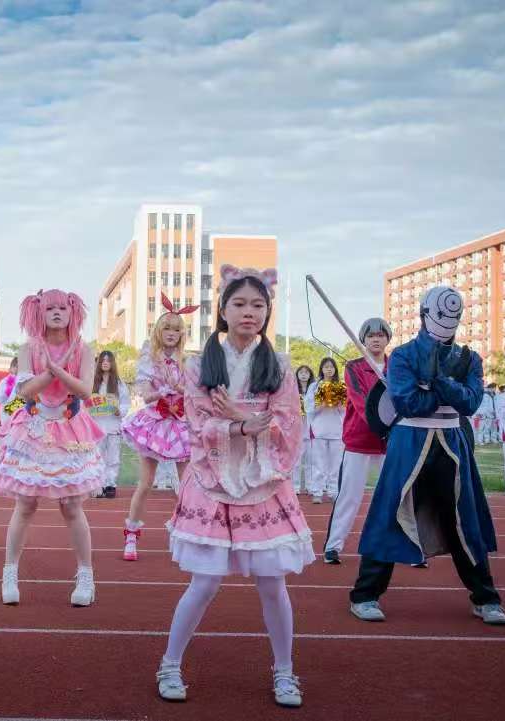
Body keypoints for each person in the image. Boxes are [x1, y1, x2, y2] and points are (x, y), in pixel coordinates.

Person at [156, 266, 310, 708]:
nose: (249, 312)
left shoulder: (279, 364)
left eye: (258, 305)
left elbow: (288, 423)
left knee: (272, 585)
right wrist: (243, 425)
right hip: (212, 480)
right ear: (222, 310)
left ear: (267, 311)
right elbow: (197, 424)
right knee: (204, 583)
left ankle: (285, 671)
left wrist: (239, 418)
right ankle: (170, 664)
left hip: (263, 481)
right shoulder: (199, 365)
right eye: (239, 304)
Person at [349, 286, 505, 626]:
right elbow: (408, 403)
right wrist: (447, 388)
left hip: (452, 443)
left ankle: (486, 597)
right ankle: (365, 593)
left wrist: (436, 381)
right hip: (409, 442)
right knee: (390, 514)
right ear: (424, 314)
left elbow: (469, 403)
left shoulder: (470, 358)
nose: (447, 322)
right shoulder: (403, 355)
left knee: (463, 518)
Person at [0, 289, 104, 606]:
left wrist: (61, 368)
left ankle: (86, 575)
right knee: (25, 504)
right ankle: (10, 572)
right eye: (50, 307)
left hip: (70, 429)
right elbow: (25, 391)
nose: (57, 312)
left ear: (72, 312)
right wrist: (53, 369)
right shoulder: (29, 348)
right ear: (39, 313)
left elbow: (85, 391)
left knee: (72, 506)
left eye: (62, 307)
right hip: (33, 428)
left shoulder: (84, 349)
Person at [120, 295, 196, 561]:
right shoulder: (148, 358)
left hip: (180, 424)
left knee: (186, 485)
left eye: (176, 329)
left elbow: (193, 393)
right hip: (154, 422)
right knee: (146, 482)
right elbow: (145, 394)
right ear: (158, 331)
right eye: (167, 328)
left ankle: (184, 533)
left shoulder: (188, 361)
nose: (172, 333)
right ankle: (131, 535)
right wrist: (163, 390)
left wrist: (180, 389)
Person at [323, 318, 391, 565]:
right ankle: (333, 546)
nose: (376, 339)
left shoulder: (397, 367)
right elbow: (362, 402)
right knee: (349, 496)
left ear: (387, 338)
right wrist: (383, 425)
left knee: (399, 496)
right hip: (359, 441)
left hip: (390, 444)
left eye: (380, 335)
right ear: (363, 339)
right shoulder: (353, 367)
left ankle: (411, 549)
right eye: (370, 335)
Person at [89, 350, 130, 499]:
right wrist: (88, 410)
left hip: (113, 426)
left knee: (113, 457)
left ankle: (110, 484)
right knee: (97, 456)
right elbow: (84, 402)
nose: (105, 363)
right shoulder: (92, 383)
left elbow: (125, 403)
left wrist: (120, 411)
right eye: (103, 360)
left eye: (108, 360)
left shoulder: (119, 384)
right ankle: (98, 485)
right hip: (97, 426)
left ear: (112, 363)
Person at [305, 357, 346, 504]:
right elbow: (308, 408)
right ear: (321, 369)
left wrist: (339, 404)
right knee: (318, 462)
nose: (329, 369)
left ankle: (333, 491)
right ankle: (317, 491)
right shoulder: (315, 386)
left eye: (331, 367)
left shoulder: (341, 385)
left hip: (336, 430)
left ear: (335, 369)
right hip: (319, 430)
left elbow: (345, 410)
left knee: (335, 464)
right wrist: (321, 405)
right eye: (326, 367)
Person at [292, 365, 315, 494]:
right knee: (296, 461)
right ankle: (295, 486)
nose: (304, 374)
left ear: (310, 374)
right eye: (301, 372)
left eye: (306, 372)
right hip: (297, 429)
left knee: (310, 461)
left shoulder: (315, 389)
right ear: (297, 375)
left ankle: (309, 486)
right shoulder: (292, 390)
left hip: (310, 428)